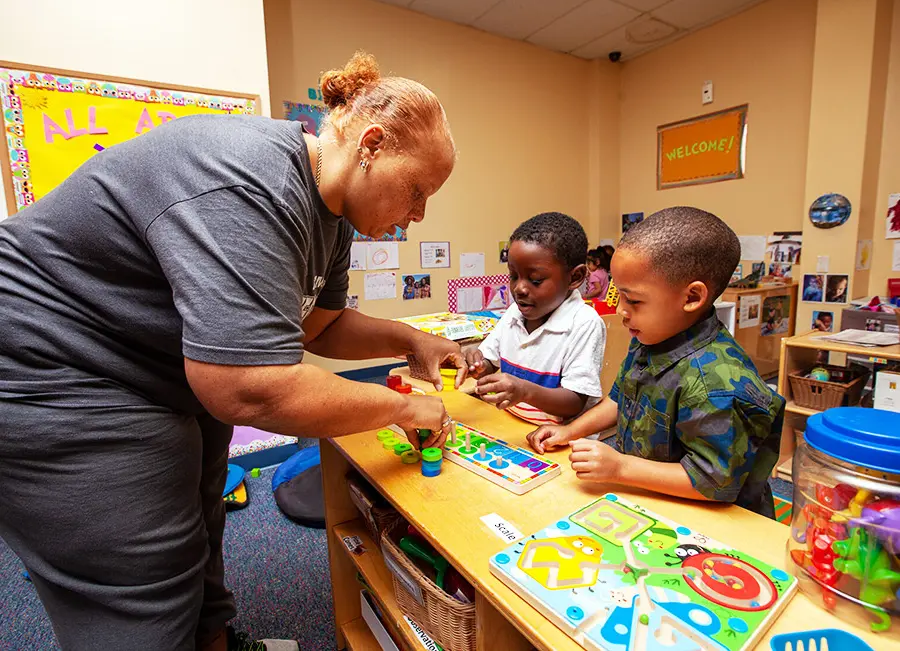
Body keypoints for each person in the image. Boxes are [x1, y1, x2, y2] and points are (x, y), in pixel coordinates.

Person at [0, 52, 465, 651]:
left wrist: (411, 340)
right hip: (50, 367)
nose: (418, 215)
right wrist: (403, 409)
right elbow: (250, 386)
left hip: (153, 369)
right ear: (371, 145)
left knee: (201, 515)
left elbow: (317, 328)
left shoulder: (332, 217)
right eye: (417, 190)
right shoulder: (251, 179)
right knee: (140, 583)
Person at [527, 207, 784, 518]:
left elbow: (711, 480)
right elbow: (621, 399)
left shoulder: (716, 382)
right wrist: (570, 432)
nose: (621, 310)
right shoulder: (650, 337)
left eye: (633, 300)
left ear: (691, 297)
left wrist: (621, 467)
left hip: (712, 523)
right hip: (650, 501)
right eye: (617, 295)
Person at [464, 213, 606, 426]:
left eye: (535, 280)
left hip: (560, 441)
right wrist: (478, 365)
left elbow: (574, 401)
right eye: (513, 276)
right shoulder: (514, 313)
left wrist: (524, 391)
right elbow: (490, 363)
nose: (519, 288)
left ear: (575, 278)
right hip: (514, 427)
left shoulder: (584, 323)